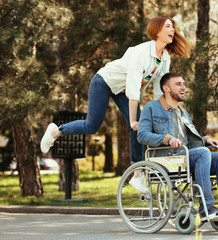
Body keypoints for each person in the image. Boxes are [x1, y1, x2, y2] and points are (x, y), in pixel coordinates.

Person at [40, 16, 190, 187]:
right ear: (157, 31)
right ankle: (56, 131)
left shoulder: (165, 58)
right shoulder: (140, 52)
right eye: (168, 26)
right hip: (105, 81)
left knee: (140, 126)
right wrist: (133, 121)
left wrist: (162, 115)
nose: (173, 30)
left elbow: (159, 93)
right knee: (92, 126)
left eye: (173, 27)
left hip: (123, 90)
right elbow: (133, 89)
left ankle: (137, 173)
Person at [137, 72, 218, 227]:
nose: (184, 87)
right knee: (203, 153)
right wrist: (167, 139)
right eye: (178, 84)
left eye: (184, 84)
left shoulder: (183, 112)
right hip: (166, 160)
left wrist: (205, 140)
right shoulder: (151, 107)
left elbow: (191, 139)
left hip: (186, 158)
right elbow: (142, 135)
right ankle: (206, 207)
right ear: (166, 88)